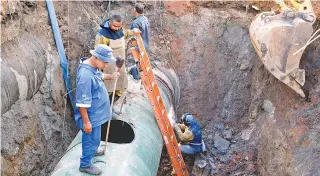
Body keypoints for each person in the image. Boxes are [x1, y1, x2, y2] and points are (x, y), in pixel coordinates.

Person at [74, 44, 120, 175]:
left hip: (97, 115)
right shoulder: (85, 77)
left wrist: (110, 76)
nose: (106, 65)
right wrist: (86, 122)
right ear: (96, 57)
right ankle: (85, 164)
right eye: (104, 62)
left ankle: (93, 151)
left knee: (95, 138)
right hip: (91, 117)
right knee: (90, 140)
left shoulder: (93, 68)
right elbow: (82, 104)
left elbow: (99, 76)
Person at [95, 14, 133, 100]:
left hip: (120, 63)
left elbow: (124, 34)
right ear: (110, 22)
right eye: (114, 26)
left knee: (121, 79)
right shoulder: (102, 35)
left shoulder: (120, 30)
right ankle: (106, 100)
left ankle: (116, 97)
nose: (116, 28)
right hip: (109, 65)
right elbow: (98, 52)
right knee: (109, 84)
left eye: (118, 26)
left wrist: (133, 32)